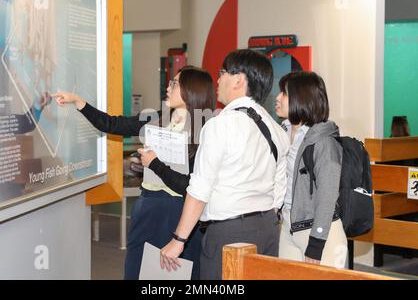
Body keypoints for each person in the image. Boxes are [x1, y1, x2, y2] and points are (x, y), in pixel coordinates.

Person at [52, 66, 216, 280]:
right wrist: (78, 102)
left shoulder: (206, 133)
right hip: (149, 206)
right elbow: (113, 123)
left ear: (191, 91)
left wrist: (154, 163)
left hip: (182, 214)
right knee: (137, 270)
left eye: (174, 83)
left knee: (179, 274)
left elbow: (189, 187)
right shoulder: (157, 119)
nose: (168, 87)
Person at [160, 49, 289, 280]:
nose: (218, 79)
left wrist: (178, 240)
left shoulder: (220, 125)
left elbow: (200, 188)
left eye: (222, 73)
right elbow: (279, 188)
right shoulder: (276, 129)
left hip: (229, 232)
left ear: (239, 79)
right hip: (268, 228)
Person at [275, 71, 347, 269]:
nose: (278, 97)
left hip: (320, 235)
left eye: (284, 93)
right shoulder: (281, 133)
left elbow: (328, 195)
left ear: (302, 98)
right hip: (288, 229)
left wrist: (316, 244)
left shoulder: (323, 141)